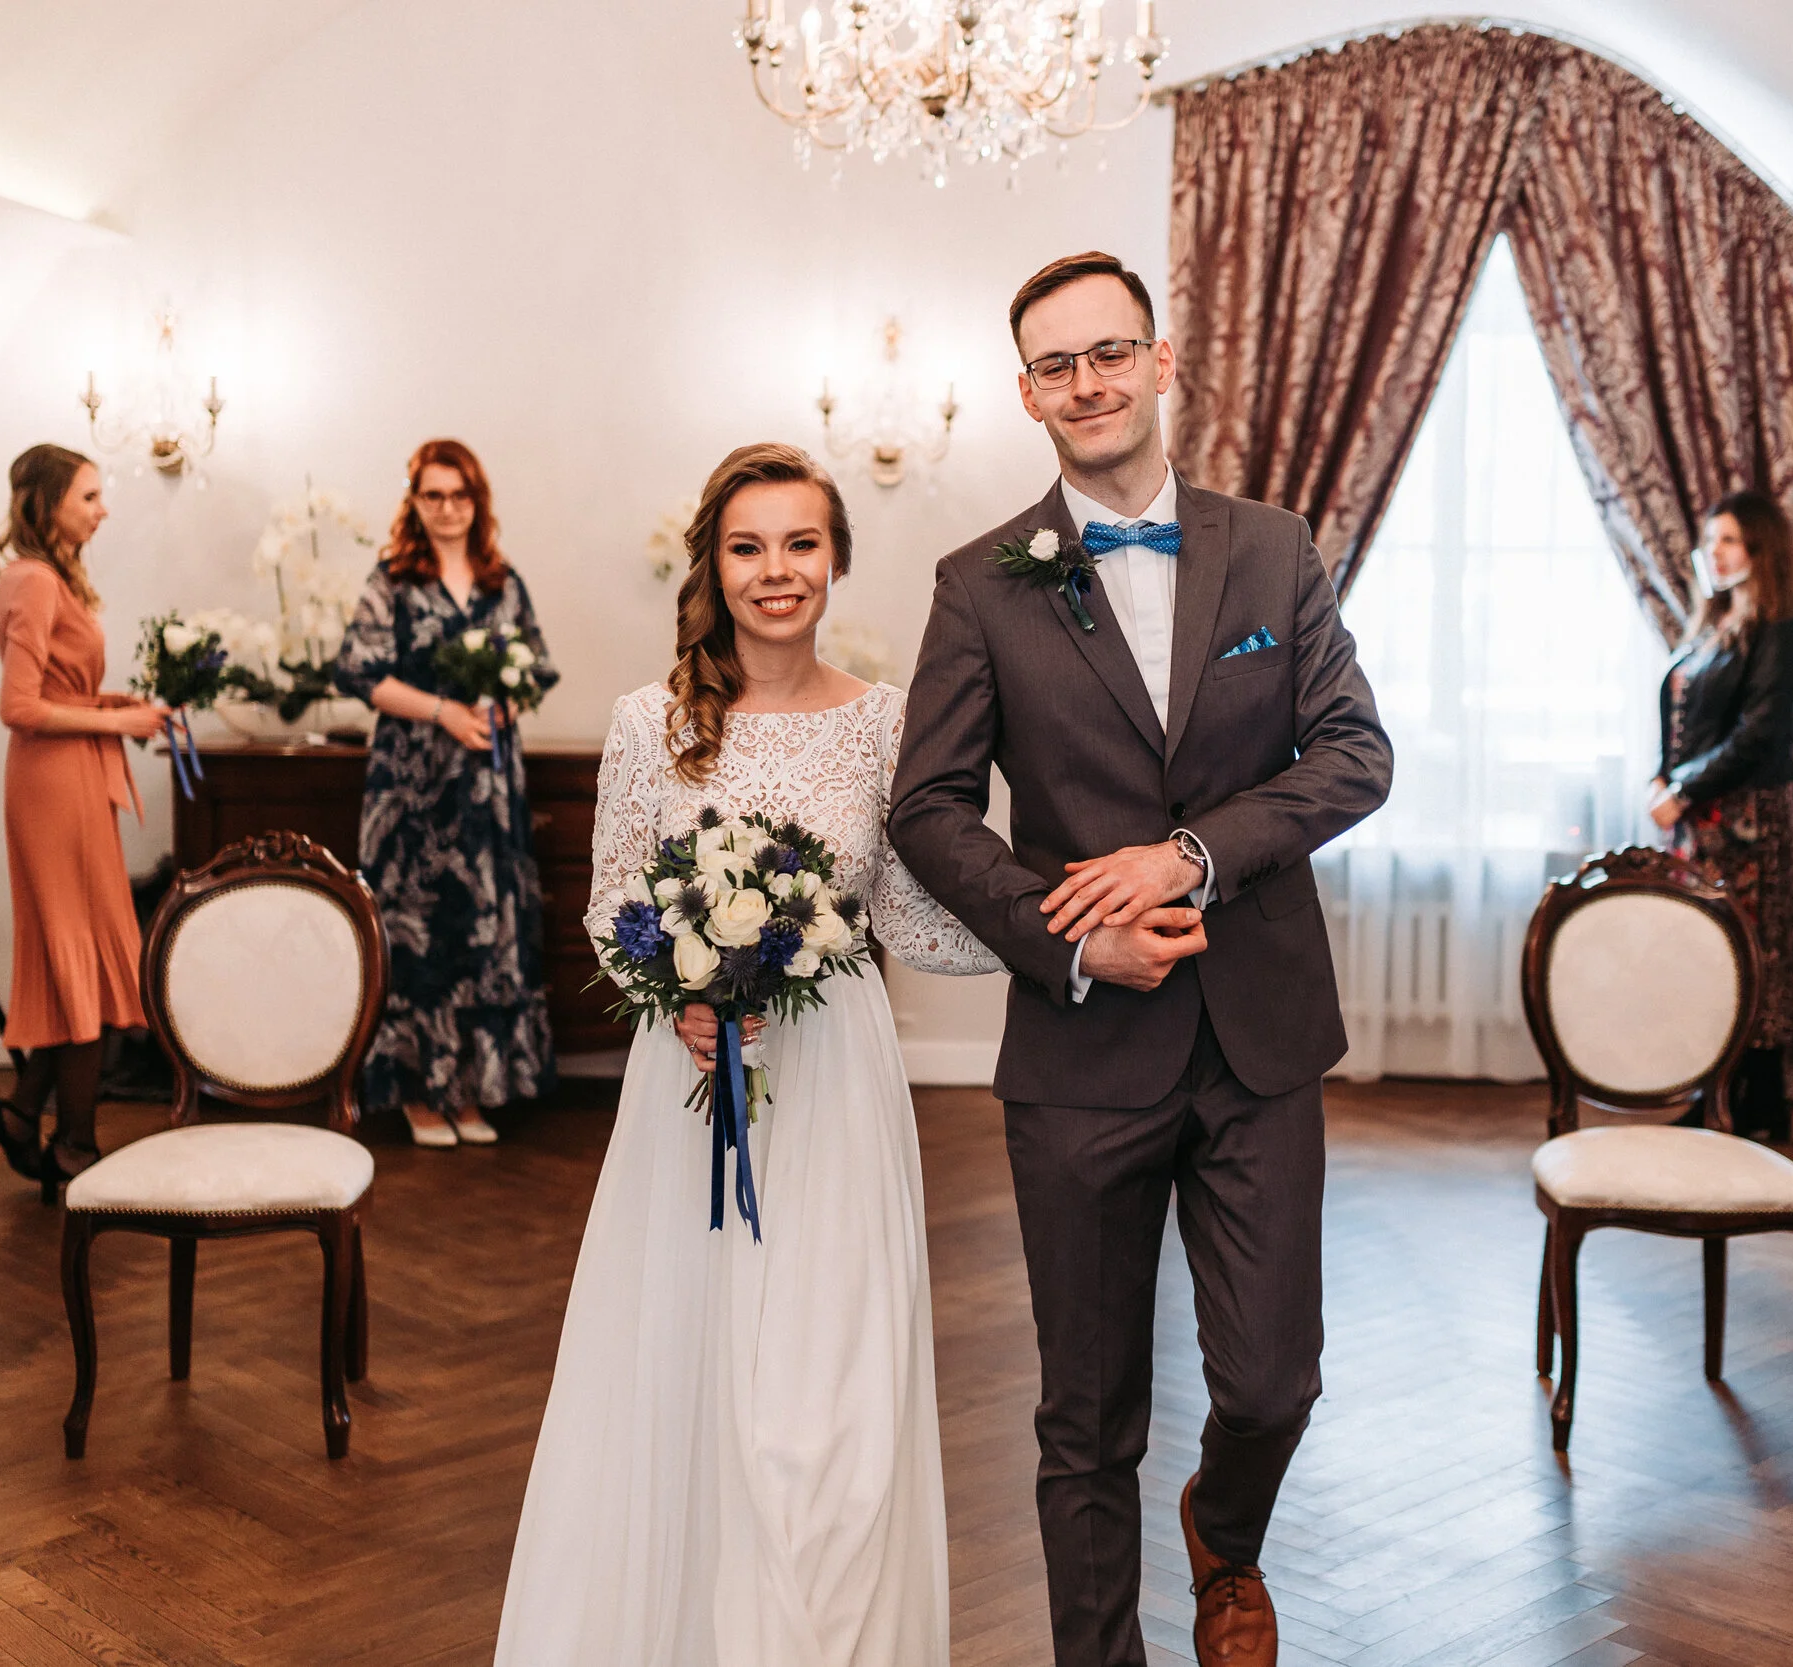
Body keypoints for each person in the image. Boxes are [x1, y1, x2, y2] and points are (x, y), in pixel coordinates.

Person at [889, 253, 1394, 1667]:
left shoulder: (1273, 548)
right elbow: (928, 809)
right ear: (1026, 394)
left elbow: (1355, 754)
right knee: (1087, 1416)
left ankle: (1223, 1531)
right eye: (1057, 364)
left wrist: (1191, 855)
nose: (1089, 381)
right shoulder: (978, 583)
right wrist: (1073, 934)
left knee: (1274, 1380)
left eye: (1110, 351)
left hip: (1260, 1035)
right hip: (1078, 1052)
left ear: (1161, 361)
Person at [494, 442, 998, 1665]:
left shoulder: (886, 722)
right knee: (689, 1358)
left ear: (836, 559)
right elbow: (613, 905)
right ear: (713, 568)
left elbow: (907, 913)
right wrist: (673, 994)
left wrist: (1050, 931)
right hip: (693, 1079)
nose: (777, 570)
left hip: (837, 1082)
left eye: (800, 542)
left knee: (833, 1387)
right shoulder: (649, 723)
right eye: (748, 546)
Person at [334, 439, 560, 1148]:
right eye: (433, 495)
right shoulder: (393, 581)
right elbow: (360, 672)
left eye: (459, 495)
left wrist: (502, 706)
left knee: (482, 931)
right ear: (415, 501)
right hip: (412, 786)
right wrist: (443, 712)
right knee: (417, 934)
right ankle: (417, 1094)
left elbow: (535, 669)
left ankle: (468, 1090)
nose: (447, 508)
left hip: (487, 785)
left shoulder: (502, 582)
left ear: (476, 501)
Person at [0, 443, 167, 1187]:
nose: (103, 510)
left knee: (83, 955)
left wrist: (110, 705)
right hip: (53, 787)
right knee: (80, 955)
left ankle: (25, 1115)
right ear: (47, 502)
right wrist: (115, 723)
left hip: (70, 778)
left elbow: (55, 692)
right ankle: (75, 1144)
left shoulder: (48, 577)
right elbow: (18, 706)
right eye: (88, 497)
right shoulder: (33, 580)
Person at [1646, 489, 1793, 1143]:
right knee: (1710, 954)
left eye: (1730, 540)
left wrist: (1681, 788)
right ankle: (1734, 1099)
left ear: (1762, 549)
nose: (1716, 552)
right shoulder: (1710, 627)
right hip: (1703, 823)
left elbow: (1759, 732)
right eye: (1712, 540)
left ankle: (1749, 1100)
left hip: (1750, 822)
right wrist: (1662, 777)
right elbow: (1682, 718)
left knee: (1753, 958)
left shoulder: (1782, 635)